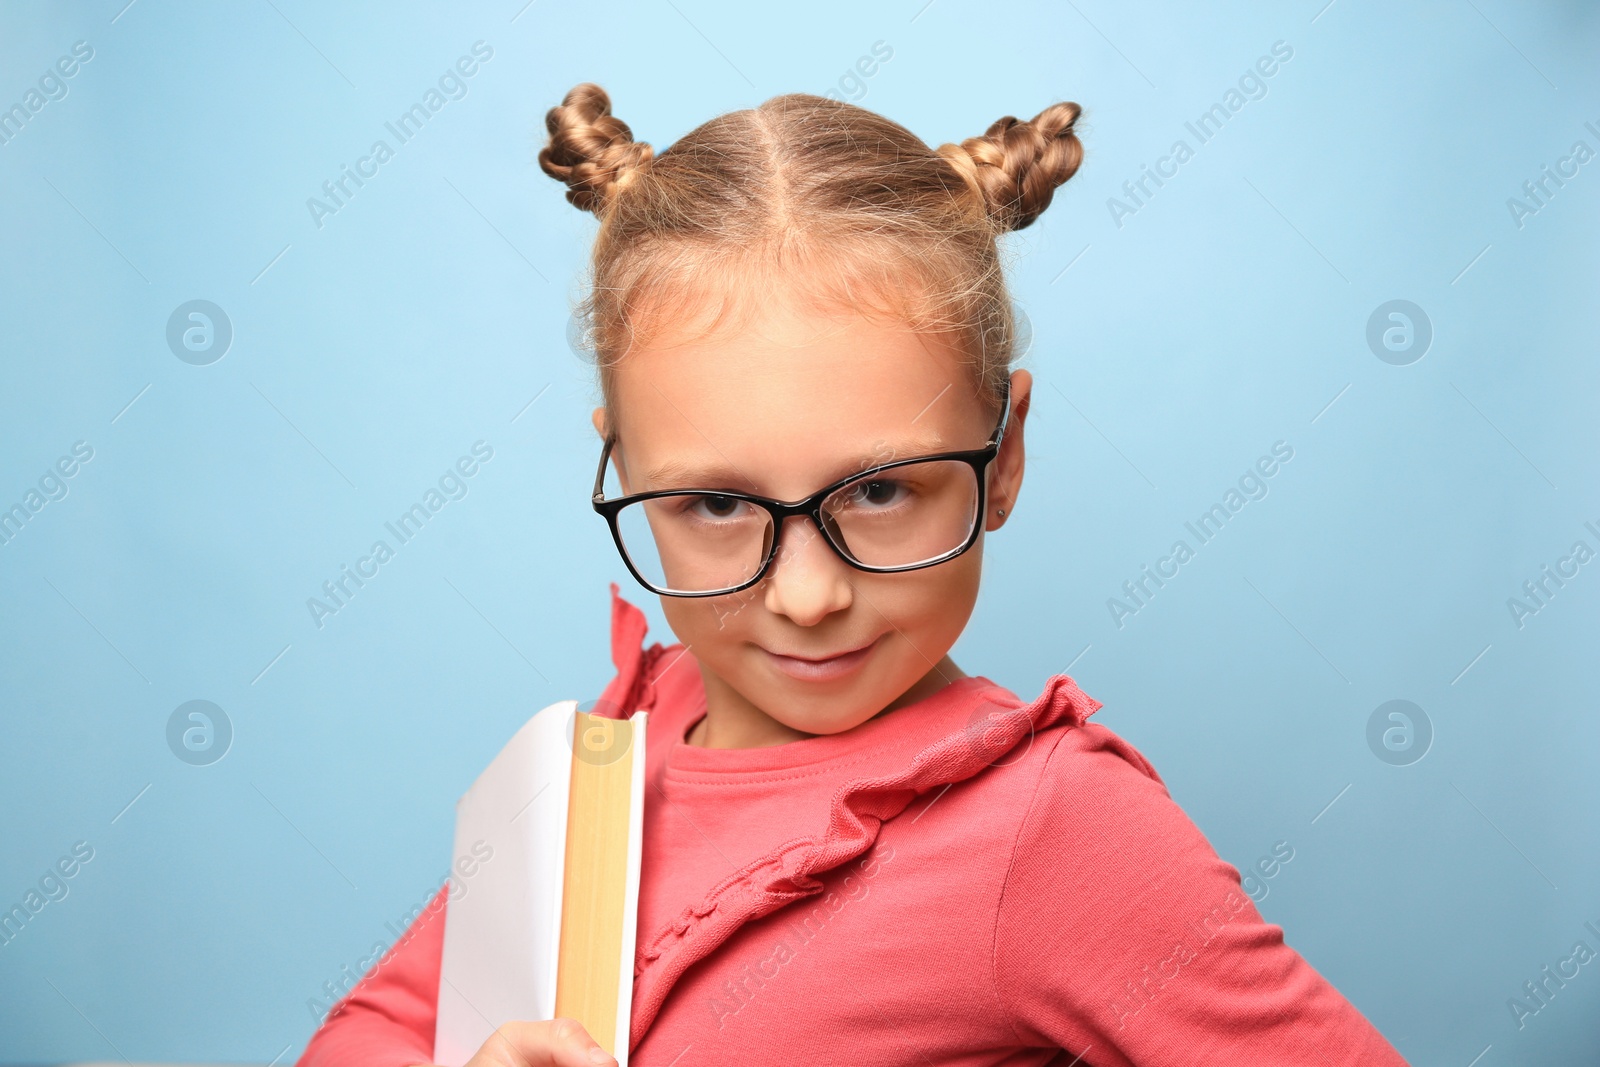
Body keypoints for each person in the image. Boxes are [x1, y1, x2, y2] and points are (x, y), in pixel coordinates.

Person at [296, 83, 1408, 1067]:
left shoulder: (1051, 827)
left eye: (879, 490)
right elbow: (371, 1028)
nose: (808, 596)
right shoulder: (628, 725)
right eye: (718, 504)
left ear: (1004, 454)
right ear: (619, 463)